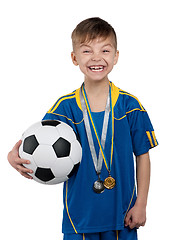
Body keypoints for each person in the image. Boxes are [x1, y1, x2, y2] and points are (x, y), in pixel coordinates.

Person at [8, 17, 158, 240]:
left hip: (123, 216)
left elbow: (143, 156)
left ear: (116, 57)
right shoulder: (64, 108)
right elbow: (38, 143)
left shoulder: (130, 106)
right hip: (78, 218)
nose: (97, 57)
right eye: (87, 51)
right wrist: (13, 156)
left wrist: (142, 204)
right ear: (74, 58)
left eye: (105, 50)